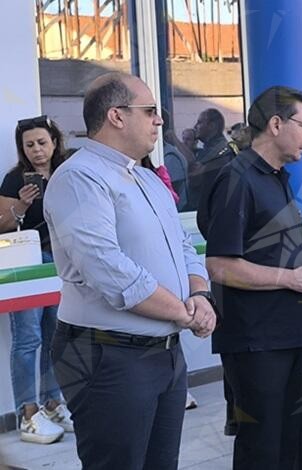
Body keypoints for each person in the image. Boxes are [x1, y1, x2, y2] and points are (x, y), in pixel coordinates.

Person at [44, 72, 216, 469]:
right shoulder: (79, 177)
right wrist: (184, 312)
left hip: (165, 355)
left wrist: (200, 295)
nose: (160, 121)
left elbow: (183, 245)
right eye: (151, 111)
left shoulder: (146, 178)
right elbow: (108, 269)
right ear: (116, 116)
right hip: (107, 355)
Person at [200, 86, 302, 469]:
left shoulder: (276, 176)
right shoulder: (236, 178)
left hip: (286, 331)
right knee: (263, 447)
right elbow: (220, 265)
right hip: (255, 340)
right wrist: (292, 279)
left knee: (288, 443)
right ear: (276, 124)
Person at [0, 115, 72, 444]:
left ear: (54, 141)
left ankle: (53, 402)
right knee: (27, 338)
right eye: (29, 145)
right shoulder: (15, 179)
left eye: (42, 142)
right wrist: (21, 204)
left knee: (55, 335)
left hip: (61, 262)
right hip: (28, 263)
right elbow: (1, 225)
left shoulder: (67, 171)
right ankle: (27, 412)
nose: (37, 150)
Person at [186, 108, 229, 211]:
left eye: (199, 122)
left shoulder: (220, 150)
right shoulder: (207, 149)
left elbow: (195, 177)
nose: (195, 127)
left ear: (212, 126)